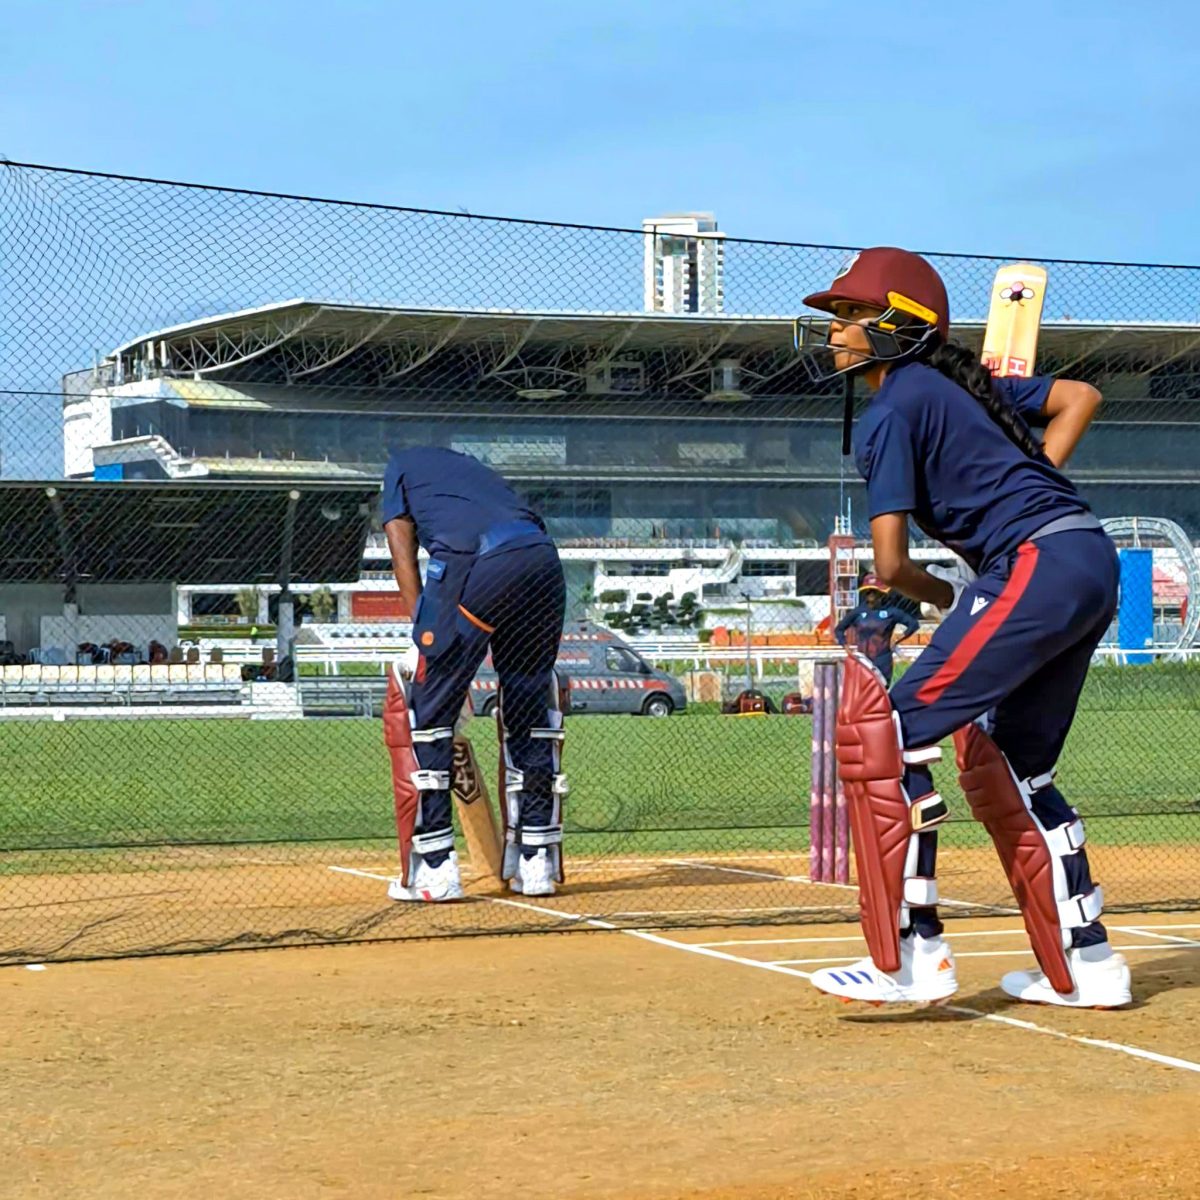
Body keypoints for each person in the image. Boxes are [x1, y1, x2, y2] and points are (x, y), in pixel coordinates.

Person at [796, 246, 1127, 1008]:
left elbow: (888, 566)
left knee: (887, 734)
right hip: (1084, 553)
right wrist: (1035, 485)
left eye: (851, 315)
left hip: (1034, 564)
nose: (837, 331)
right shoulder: (966, 384)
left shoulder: (893, 409)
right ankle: (1088, 965)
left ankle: (913, 956)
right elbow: (1080, 396)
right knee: (1013, 765)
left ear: (900, 325)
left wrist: (943, 589)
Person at [380, 446, 567, 902]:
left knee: (424, 717)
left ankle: (437, 869)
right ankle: (535, 862)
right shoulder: (480, 475)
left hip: (478, 562)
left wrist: (427, 647)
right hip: (543, 563)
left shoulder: (398, 470)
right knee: (530, 714)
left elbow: (403, 556)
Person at [833, 574, 920, 684]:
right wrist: (846, 648)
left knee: (882, 690)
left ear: (881, 593)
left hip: (883, 660)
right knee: (863, 690)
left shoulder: (890, 612)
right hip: (863, 660)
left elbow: (913, 624)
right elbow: (839, 630)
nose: (871, 594)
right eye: (868, 591)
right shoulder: (858, 612)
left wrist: (897, 639)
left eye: (874, 591)